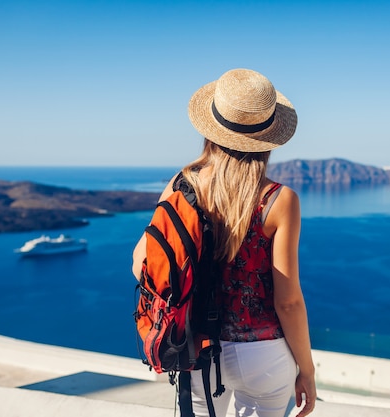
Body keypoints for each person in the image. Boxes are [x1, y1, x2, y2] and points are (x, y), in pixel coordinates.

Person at [132, 68, 316, 417]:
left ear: (211, 131)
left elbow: (140, 262)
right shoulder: (280, 200)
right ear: (268, 140)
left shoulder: (182, 186)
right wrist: (306, 369)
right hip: (264, 353)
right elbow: (288, 302)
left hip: (196, 345)